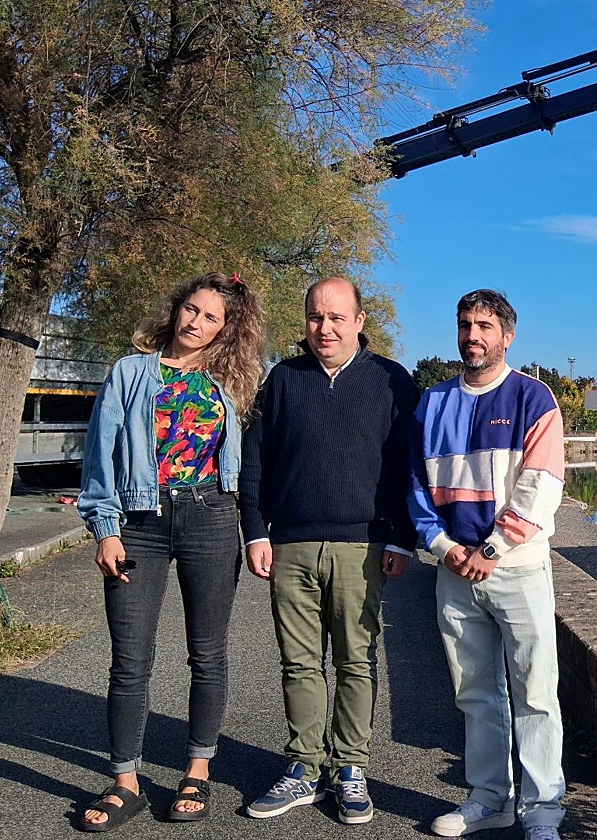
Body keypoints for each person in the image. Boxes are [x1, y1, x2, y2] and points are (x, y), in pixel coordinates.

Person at [77, 272, 265, 830]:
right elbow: (100, 454)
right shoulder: (131, 372)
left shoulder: (233, 381)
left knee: (207, 653)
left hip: (211, 517)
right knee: (130, 658)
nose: (196, 323)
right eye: (192, 309)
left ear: (226, 329)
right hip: (140, 523)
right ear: (176, 308)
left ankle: (197, 771)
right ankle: (125, 783)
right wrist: (105, 528)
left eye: (211, 318)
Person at [239, 277, 418, 825]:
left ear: (360, 321)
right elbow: (255, 461)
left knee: (356, 662)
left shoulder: (391, 381)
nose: (325, 328)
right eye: (316, 317)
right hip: (290, 543)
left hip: (363, 545)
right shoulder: (282, 380)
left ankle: (350, 768)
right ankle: (304, 767)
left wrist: (403, 537)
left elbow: (410, 467)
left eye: (337, 317)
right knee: (299, 663)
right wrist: (255, 531)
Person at [408, 289, 567, 840]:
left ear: (507, 336)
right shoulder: (432, 402)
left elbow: (541, 485)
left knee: (536, 692)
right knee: (474, 691)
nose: (472, 336)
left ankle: (543, 811)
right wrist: (443, 547)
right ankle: (490, 800)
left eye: (484, 326)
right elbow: (415, 484)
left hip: (517, 568)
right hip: (454, 570)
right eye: (464, 325)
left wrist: (492, 549)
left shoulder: (532, 397)